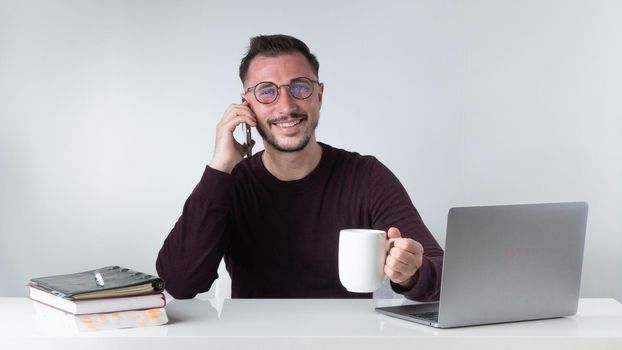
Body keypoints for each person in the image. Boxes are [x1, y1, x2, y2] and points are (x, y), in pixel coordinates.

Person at [156, 34, 443, 300]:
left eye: (300, 88)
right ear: (246, 106)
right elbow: (180, 282)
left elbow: (441, 273)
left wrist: (411, 273)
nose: (286, 106)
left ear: (319, 95)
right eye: (267, 91)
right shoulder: (231, 184)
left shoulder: (365, 176)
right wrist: (219, 167)